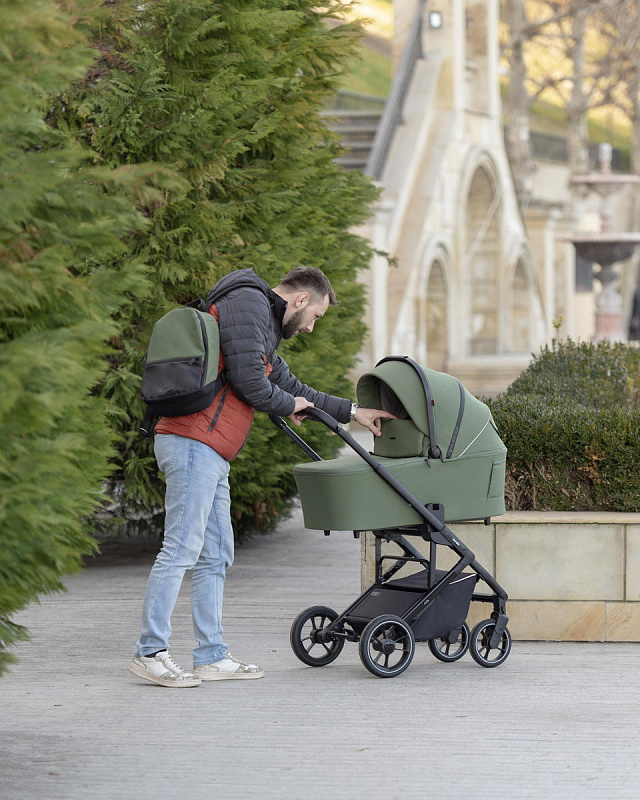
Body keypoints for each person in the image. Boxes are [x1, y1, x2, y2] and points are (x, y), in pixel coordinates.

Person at [129, 266, 396, 687]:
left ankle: (211, 656)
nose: (310, 328)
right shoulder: (248, 305)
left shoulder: (261, 320)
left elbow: (286, 382)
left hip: (211, 448)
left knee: (215, 555)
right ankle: (150, 652)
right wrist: (287, 405)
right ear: (301, 300)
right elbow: (251, 382)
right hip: (193, 441)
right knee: (180, 549)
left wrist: (351, 412)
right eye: (315, 316)